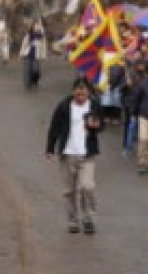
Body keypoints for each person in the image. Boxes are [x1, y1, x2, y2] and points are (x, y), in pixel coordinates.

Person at [45, 77, 104, 235]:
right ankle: (72, 220)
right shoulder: (64, 106)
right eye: (77, 94)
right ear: (73, 92)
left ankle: (88, 219)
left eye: (83, 94)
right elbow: (54, 127)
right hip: (68, 154)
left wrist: (95, 127)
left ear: (88, 93)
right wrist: (50, 148)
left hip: (87, 154)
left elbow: (101, 124)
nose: (80, 98)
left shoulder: (94, 105)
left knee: (88, 187)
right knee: (69, 191)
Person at [19, 20, 47, 89]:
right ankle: (28, 83)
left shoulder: (42, 36)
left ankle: (35, 80)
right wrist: (21, 53)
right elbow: (24, 44)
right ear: (33, 27)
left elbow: (44, 46)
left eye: (38, 26)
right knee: (28, 70)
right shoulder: (29, 35)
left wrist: (43, 55)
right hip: (28, 54)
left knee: (36, 70)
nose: (37, 27)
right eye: (35, 25)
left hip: (37, 54)